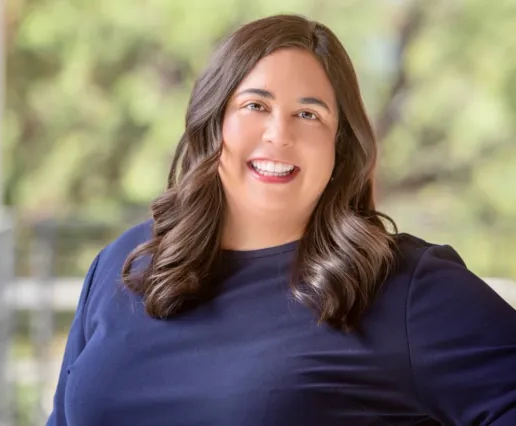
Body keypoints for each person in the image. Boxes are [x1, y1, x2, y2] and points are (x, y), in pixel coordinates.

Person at [46, 14, 516, 426]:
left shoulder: (403, 289)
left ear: (339, 146)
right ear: (214, 122)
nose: (279, 134)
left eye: (309, 114)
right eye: (256, 105)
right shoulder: (126, 265)